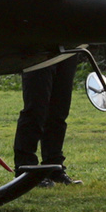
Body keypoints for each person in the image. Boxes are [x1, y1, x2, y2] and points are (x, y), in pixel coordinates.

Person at [12, 53, 82, 185]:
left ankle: (54, 167)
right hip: (40, 48)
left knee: (59, 112)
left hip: (67, 48)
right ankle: (25, 168)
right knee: (35, 110)